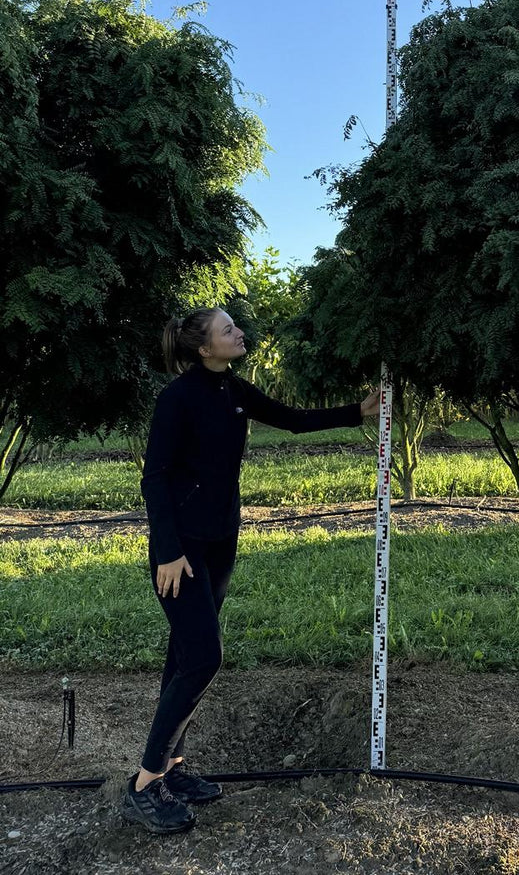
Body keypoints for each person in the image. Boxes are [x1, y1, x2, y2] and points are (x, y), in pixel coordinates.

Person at [121, 306, 380, 834]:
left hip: (220, 543)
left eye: (234, 326)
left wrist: (360, 410)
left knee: (184, 655)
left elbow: (292, 418)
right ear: (203, 348)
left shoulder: (234, 390)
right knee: (203, 657)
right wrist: (168, 550)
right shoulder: (176, 399)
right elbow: (155, 478)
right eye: (227, 329)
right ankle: (144, 784)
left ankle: (173, 767)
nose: (239, 332)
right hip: (181, 552)